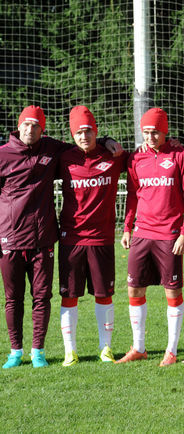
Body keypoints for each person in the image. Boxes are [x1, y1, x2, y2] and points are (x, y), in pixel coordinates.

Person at [117, 108, 184, 366]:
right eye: (146, 132)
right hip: (142, 233)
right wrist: (127, 227)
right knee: (134, 288)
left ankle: (171, 351)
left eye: (155, 132)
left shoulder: (180, 156)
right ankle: (138, 347)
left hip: (169, 235)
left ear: (165, 131)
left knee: (172, 291)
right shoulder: (135, 158)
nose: (151, 137)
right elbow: (133, 195)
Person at [57, 106, 127, 366]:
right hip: (71, 239)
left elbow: (145, 157)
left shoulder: (114, 156)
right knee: (69, 295)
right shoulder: (64, 158)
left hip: (102, 239)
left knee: (103, 294)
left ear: (95, 131)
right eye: (78, 132)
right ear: (72, 134)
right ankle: (70, 351)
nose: (84, 136)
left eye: (88, 131)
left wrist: (109, 141)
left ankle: (105, 348)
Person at [1, 106, 67, 369]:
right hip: (10, 239)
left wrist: (106, 141)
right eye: (26, 125)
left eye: (36, 126)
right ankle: (15, 351)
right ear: (19, 127)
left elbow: (82, 146)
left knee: (42, 297)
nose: (30, 129)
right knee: (13, 298)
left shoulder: (52, 149)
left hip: (42, 239)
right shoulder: (3, 155)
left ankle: (38, 351)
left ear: (43, 130)